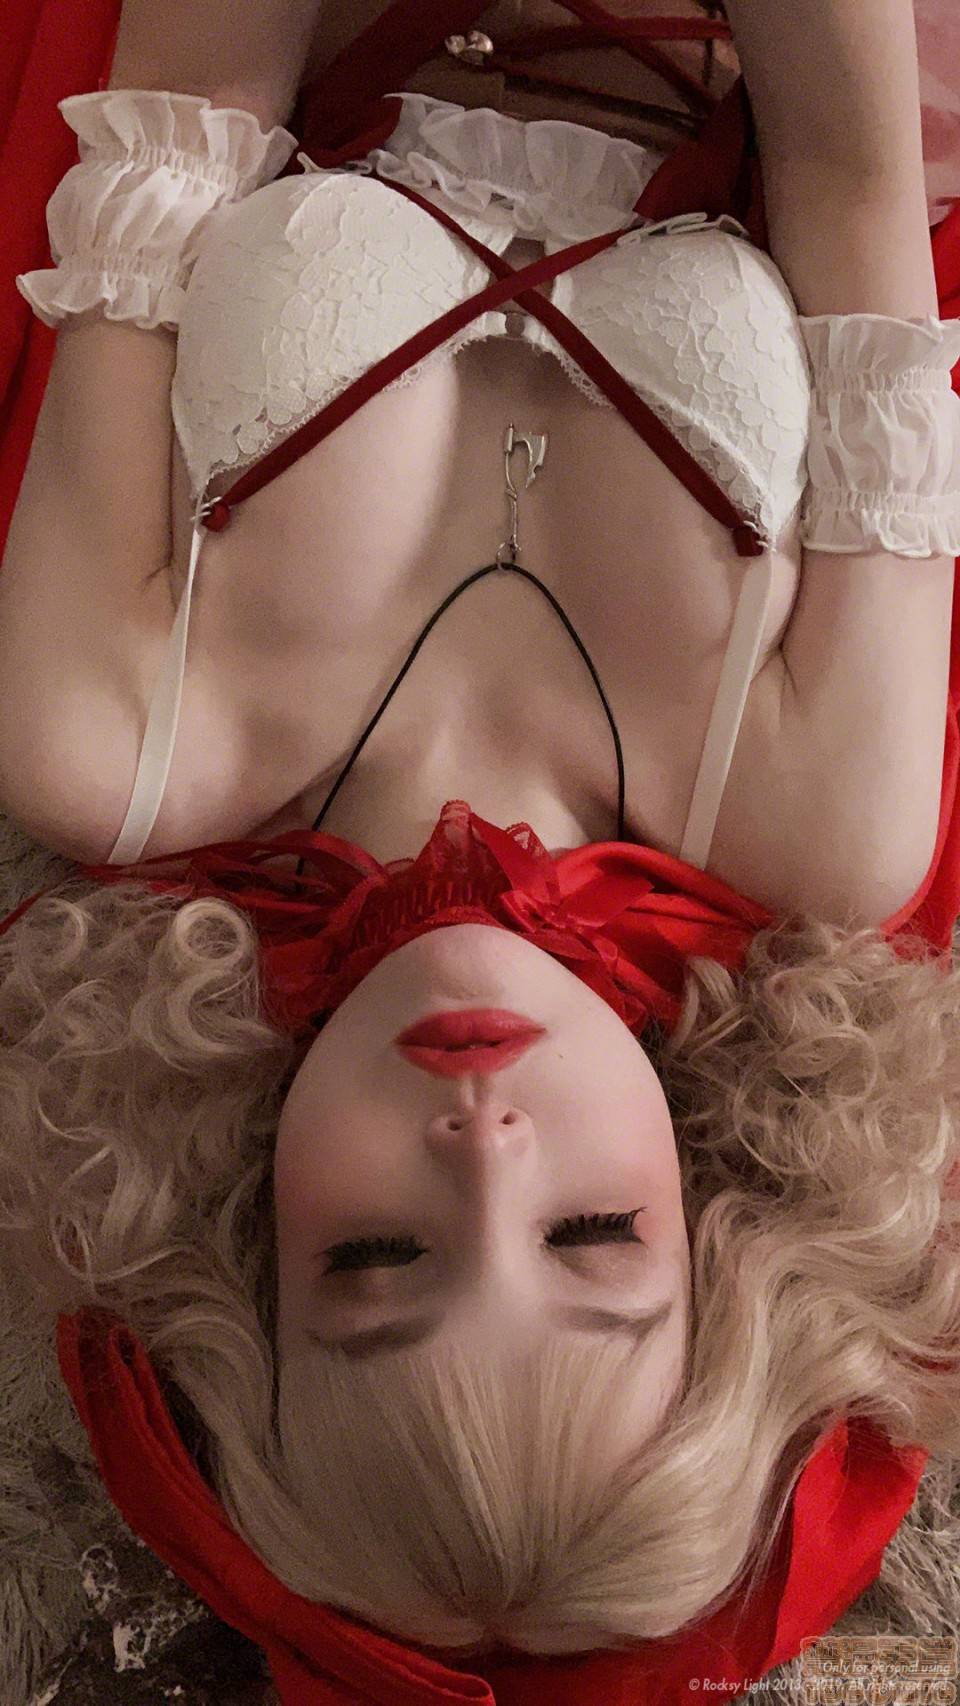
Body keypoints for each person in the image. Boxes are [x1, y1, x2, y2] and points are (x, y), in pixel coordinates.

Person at [1, 1, 959, 1701]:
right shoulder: (831, 823)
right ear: (716, 1240)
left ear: (250, 1254)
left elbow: (197, 85)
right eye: (592, 1232)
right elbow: (852, 182)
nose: (484, 1144)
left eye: (378, 1259)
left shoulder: (103, 741)